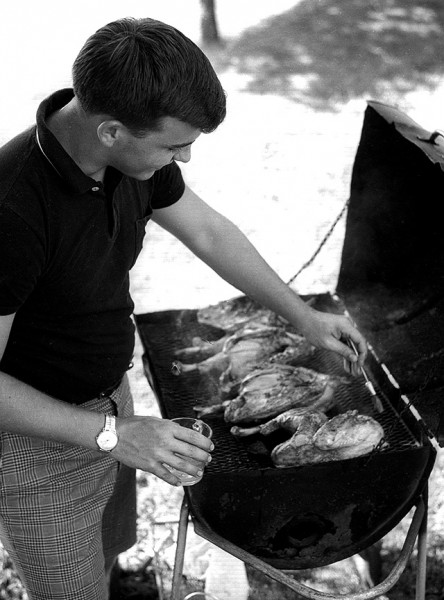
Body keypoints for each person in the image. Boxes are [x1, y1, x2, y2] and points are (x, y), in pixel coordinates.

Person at [0, 17, 367, 600]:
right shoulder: (13, 210)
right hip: (37, 442)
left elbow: (210, 234)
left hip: (111, 405)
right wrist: (107, 435)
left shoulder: (129, 161)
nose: (185, 159)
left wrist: (303, 316)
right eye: (175, 146)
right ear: (112, 131)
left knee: (108, 552)